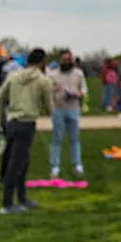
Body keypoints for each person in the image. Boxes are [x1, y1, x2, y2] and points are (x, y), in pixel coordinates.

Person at [0, 48, 52, 214]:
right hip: (27, 122)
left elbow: (1, 96)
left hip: (11, 121)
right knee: (16, 163)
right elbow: (49, 106)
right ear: (42, 62)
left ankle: (22, 198)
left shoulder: (13, 76)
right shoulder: (43, 80)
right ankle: (7, 204)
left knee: (23, 161)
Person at [48, 49, 87, 179]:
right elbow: (47, 90)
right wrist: (54, 89)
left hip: (73, 108)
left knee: (74, 138)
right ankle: (55, 166)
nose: (67, 62)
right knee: (56, 138)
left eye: (69, 59)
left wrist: (78, 94)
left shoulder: (78, 74)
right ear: (59, 61)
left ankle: (77, 164)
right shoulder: (53, 75)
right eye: (64, 60)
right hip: (58, 108)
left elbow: (84, 89)